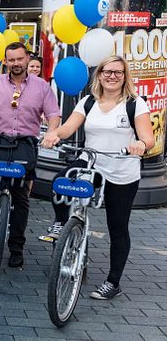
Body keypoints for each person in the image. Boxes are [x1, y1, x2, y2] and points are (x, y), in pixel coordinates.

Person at [41, 55, 154, 300]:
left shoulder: (135, 103)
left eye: (118, 72)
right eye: (107, 71)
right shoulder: (88, 102)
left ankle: (113, 282)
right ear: (99, 74)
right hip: (92, 163)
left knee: (117, 227)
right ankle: (62, 224)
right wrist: (54, 135)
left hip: (122, 171)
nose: (112, 76)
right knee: (61, 180)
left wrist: (140, 144)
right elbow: (67, 128)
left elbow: (149, 138)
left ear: (125, 77)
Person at [0, 41, 61, 268]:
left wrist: (54, 132)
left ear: (27, 59)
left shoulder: (41, 87)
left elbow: (53, 114)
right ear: (5, 61)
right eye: (11, 60)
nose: (16, 63)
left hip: (24, 144)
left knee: (21, 197)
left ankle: (16, 248)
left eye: (20, 59)